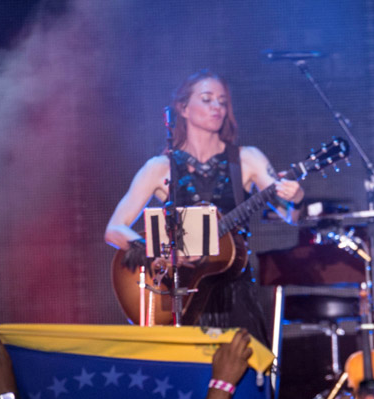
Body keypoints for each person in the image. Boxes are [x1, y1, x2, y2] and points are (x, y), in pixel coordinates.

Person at [105, 69, 304, 341]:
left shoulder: (247, 158)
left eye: (222, 101)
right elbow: (115, 228)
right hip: (179, 295)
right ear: (183, 108)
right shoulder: (160, 167)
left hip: (235, 294)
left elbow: (290, 215)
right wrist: (159, 253)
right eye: (207, 99)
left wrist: (295, 197)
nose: (217, 107)